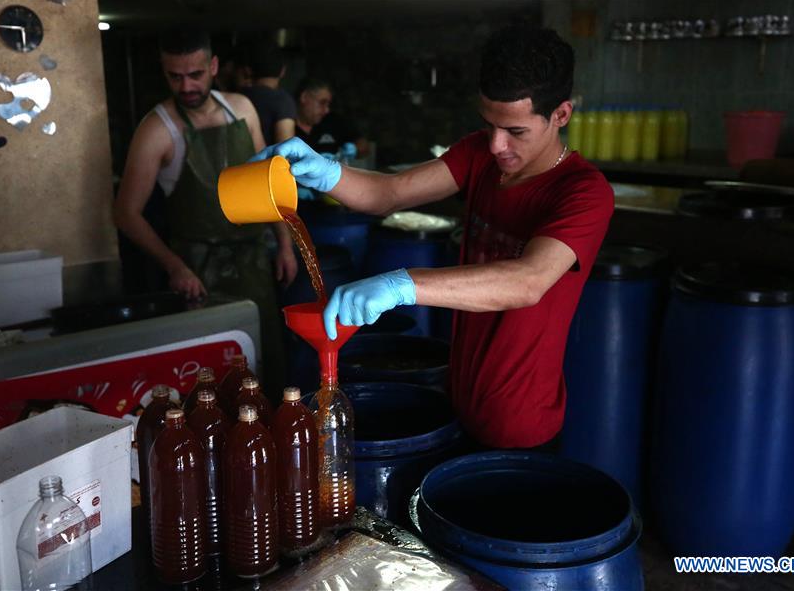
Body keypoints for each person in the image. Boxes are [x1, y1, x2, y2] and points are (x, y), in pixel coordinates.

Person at [254, 25, 614, 449]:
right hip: (459, 403)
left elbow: (528, 281)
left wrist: (403, 284)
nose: (497, 145)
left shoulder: (583, 193)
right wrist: (326, 172)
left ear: (561, 115)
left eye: (515, 131)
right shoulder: (480, 154)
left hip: (522, 426)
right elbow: (389, 192)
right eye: (488, 124)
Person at [113, 26, 296, 397]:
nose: (186, 87)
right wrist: (175, 267)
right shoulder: (156, 130)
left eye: (195, 74)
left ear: (213, 66)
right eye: (175, 77)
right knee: (210, 381)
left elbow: (267, 182)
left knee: (262, 369)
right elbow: (126, 213)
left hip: (253, 262)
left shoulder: (241, 109)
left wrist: (285, 245)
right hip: (197, 271)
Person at [294, 77, 368, 157]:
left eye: (328, 104)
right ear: (304, 97)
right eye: (322, 103)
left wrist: (355, 149)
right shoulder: (287, 125)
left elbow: (364, 146)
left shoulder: (333, 121)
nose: (326, 110)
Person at [240, 42, 298, 145]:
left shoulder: (237, 98)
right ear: (283, 71)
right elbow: (286, 150)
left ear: (248, 71)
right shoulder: (283, 101)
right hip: (266, 160)